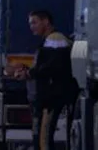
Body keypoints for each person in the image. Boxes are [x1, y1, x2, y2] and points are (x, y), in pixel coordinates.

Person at [5, 10, 78, 150]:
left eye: (34, 22)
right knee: (41, 138)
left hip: (52, 99)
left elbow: (51, 66)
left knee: (44, 139)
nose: (31, 27)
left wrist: (29, 73)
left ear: (46, 22)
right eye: (30, 23)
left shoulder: (55, 40)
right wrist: (27, 71)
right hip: (48, 99)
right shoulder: (50, 40)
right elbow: (45, 66)